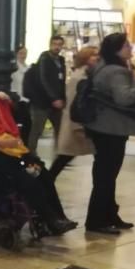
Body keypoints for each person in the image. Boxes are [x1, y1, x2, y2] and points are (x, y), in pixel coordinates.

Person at [0, 89, 76, 235]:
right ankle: (50, 219)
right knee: (28, 180)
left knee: (43, 174)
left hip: (5, 161)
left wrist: (7, 102)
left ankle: (58, 217)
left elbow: (18, 120)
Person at [83, 33, 135, 234]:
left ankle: (109, 215)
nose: (130, 49)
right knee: (106, 176)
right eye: (126, 46)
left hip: (103, 127)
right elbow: (124, 99)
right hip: (111, 129)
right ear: (116, 49)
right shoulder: (117, 72)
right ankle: (97, 220)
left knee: (104, 175)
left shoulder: (102, 67)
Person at [49, 46, 99, 180]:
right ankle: (46, 181)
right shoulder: (80, 77)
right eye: (93, 55)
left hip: (79, 121)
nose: (97, 57)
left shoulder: (88, 74)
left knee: (67, 156)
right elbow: (73, 101)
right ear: (85, 58)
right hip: (76, 122)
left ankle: (47, 181)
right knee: (65, 156)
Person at [27, 36, 67, 157]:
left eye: (60, 44)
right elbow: (43, 79)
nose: (57, 47)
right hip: (42, 101)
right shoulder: (44, 58)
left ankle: (61, 153)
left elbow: (61, 81)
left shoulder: (60, 60)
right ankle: (31, 154)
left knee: (60, 128)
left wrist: (62, 98)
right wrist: (53, 98)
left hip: (56, 101)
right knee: (37, 129)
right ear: (50, 44)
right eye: (55, 44)